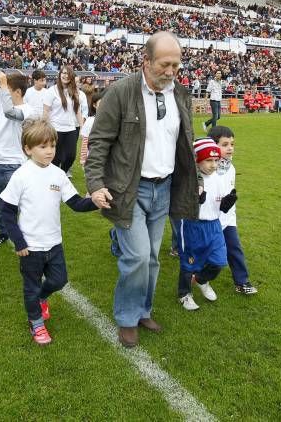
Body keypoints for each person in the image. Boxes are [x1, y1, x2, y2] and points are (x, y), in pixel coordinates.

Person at [85, 31, 198, 348]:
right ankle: (127, 318)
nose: (171, 71)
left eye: (176, 64)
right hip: (129, 190)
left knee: (151, 258)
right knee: (136, 256)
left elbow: (183, 142)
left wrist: (195, 178)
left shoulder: (180, 95)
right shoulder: (120, 93)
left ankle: (143, 310)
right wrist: (95, 184)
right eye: (165, 64)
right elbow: (99, 143)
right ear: (145, 62)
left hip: (164, 190)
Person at [0, 119, 97, 345]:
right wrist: (19, 242)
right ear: (28, 149)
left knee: (59, 280)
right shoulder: (21, 176)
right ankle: (36, 324)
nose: (49, 151)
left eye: (52, 145)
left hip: (54, 244)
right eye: (43, 147)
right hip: (30, 248)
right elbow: (6, 212)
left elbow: (75, 203)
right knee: (30, 287)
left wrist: (95, 202)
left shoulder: (58, 175)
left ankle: (43, 297)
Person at [0, 58, 37, 248]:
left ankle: (26, 234)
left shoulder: (28, 110)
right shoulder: (3, 97)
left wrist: (3, 85)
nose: (3, 90)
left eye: (7, 88)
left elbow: (8, 112)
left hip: (15, 164)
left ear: (17, 92)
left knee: (21, 203)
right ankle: (3, 232)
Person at [176, 138, 231, 311]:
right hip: (193, 225)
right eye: (208, 160)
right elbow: (180, 200)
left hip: (214, 225)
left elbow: (221, 201)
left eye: (216, 160)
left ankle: (201, 279)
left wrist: (227, 203)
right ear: (197, 160)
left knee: (219, 260)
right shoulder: (190, 179)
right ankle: (184, 294)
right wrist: (194, 201)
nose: (214, 165)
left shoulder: (218, 177)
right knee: (188, 262)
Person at [209, 126, 258, 296]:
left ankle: (242, 281)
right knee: (207, 252)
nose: (230, 148)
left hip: (228, 218)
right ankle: (193, 279)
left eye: (232, 144)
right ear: (214, 147)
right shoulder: (207, 170)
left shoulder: (232, 168)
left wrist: (230, 204)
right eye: (225, 144)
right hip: (210, 219)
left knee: (234, 247)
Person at [43, 64, 88, 174]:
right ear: (59, 74)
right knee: (56, 157)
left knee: (71, 156)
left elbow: (77, 111)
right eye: (63, 73)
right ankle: (52, 177)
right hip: (55, 129)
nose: (65, 76)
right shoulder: (51, 91)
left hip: (70, 129)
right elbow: (45, 112)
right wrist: (46, 128)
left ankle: (62, 173)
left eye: (68, 74)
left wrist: (83, 127)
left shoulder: (74, 92)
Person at [79, 89, 104, 169]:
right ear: (94, 105)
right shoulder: (90, 121)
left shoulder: (112, 120)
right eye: (101, 103)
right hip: (92, 158)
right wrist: (83, 159)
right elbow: (85, 141)